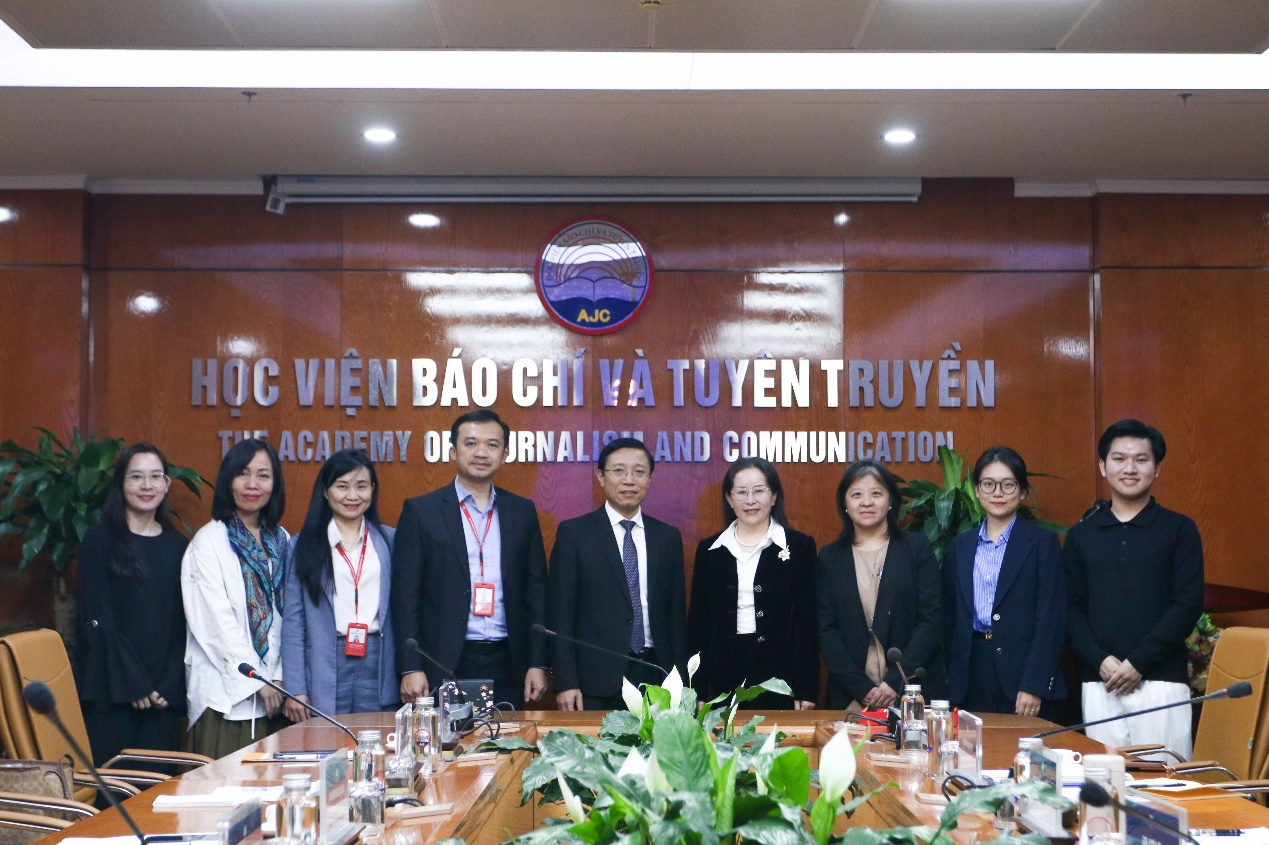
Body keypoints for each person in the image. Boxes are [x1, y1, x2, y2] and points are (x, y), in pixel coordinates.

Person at [391, 409, 548, 709]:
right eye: (471, 443)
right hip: (444, 660)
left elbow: (536, 592)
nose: (481, 453)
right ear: (453, 451)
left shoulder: (521, 512)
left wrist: (538, 662)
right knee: (449, 739)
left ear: (504, 454)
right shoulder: (421, 512)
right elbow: (405, 596)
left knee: (507, 737)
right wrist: (411, 667)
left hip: (509, 660)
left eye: (492, 445)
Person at [1065, 419, 1204, 758]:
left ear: (1157, 468)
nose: (1130, 468)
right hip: (1101, 682)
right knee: (1105, 783)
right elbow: (1070, 607)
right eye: (1119, 459)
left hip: (1161, 682)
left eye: (1141, 459)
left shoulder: (1179, 529)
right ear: (1103, 466)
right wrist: (1100, 660)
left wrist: (1138, 662)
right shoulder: (1081, 535)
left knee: (1166, 781)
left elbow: (1187, 603)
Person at [548, 437, 689, 711]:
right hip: (595, 681)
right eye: (619, 471)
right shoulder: (575, 534)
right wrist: (566, 681)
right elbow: (560, 614)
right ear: (601, 477)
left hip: (658, 675)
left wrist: (681, 681)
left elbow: (675, 617)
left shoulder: (667, 537)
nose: (629, 480)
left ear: (650, 478)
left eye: (639, 472)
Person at [76, 443, 189, 766]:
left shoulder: (179, 546)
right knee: (114, 791)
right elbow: (97, 618)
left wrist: (167, 684)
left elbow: (184, 624)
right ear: (121, 483)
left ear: (166, 484)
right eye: (136, 476)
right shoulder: (99, 540)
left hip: (162, 698)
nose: (146, 485)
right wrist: (133, 683)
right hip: (112, 693)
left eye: (155, 477)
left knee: (159, 790)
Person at [182, 438, 289, 758]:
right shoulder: (208, 542)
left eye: (263, 475)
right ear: (228, 480)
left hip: (277, 695)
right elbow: (216, 624)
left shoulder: (281, 539)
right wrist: (257, 680)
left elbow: (289, 615)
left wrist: (280, 676)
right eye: (243, 474)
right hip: (226, 697)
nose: (252, 484)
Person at [942, 446, 1066, 717]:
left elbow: (1051, 619)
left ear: (1022, 492)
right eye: (988, 484)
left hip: (1022, 676)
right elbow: (950, 617)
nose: (997, 493)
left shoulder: (1042, 544)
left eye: (1008, 485)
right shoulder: (960, 546)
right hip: (970, 674)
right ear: (977, 490)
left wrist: (1034, 684)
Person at [687, 457, 818, 709]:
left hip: (781, 679)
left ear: (774, 496)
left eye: (759, 491)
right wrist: (698, 689)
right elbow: (699, 626)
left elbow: (807, 623)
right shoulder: (710, 550)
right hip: (722, 678)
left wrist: (806, 689)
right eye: (741, 492)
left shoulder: (799, 546)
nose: (750, 500)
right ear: (729, 498)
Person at [817, 460, 943, 710]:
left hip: (911, 691)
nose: (867, 502)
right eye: (856, 494)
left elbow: (931, 618)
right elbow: (826, 629)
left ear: (891, 501)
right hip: (851, 696)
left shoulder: (916, 548)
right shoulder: (830, 557)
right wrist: (860, 687)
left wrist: (896, 680)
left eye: (876, 493)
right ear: (845, 503)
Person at [281, 450, 397, 719]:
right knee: (326, 740)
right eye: (342, 486)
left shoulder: (390, 540)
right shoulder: (302, 545)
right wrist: (296, 688)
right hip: (325, 661)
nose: (352, 496)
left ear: (373, 489)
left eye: (361, 486)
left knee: (376, 738)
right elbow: (294, 621)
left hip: (378, 660)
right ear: (325, 491)